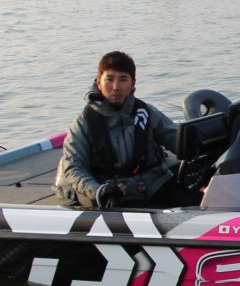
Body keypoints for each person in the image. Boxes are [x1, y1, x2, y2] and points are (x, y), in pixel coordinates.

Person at [55, 51, 181, 209]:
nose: (116, 87)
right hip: (106, 193)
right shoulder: (84, 122)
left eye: (123, 79)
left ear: (133, 84)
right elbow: (74, 168)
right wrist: (99, 191)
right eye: (109, 79)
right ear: (99, 82)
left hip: (149, 185)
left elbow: (178, 141)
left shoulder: (146, 112)